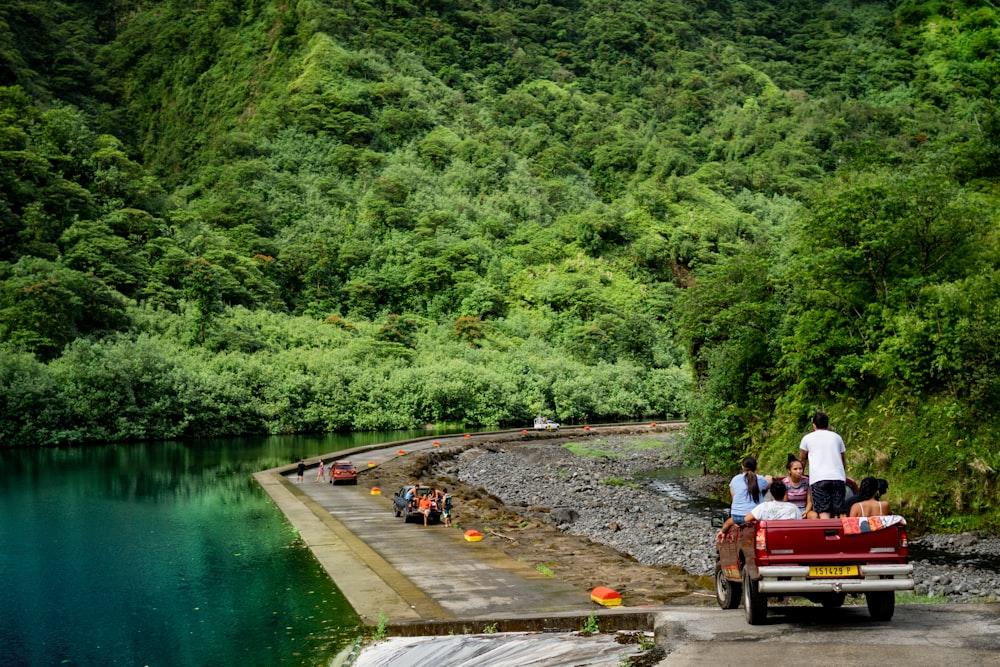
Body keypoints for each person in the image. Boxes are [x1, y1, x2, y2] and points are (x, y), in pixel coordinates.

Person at [799, 410, 847, 518]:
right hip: (838, 478)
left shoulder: (807, 438)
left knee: (824, 511)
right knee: (837, 512)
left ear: (814, 425)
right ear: (828, 425)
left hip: (819, 479)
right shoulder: (837, 437)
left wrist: (801, 475)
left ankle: (827, 533)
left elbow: (802, 460)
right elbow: (843, 459)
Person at [725, 455, 771, 532]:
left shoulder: (735, 479)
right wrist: (768, 478)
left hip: (736, 517)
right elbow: (768, 485)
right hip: (754, 516)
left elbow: (734, 498)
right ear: (756, 467)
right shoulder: (761, 480)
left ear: (742, 467)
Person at [783, 454, 812, 518]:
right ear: (789, 470)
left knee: (814, 515)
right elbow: (784, 503)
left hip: (804, 510)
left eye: (800, 468)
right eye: (795, 469)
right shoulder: (784, 483)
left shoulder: (807, 481)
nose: (798, 471)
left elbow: (809, 501)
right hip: (790, 511)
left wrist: (806, 511)